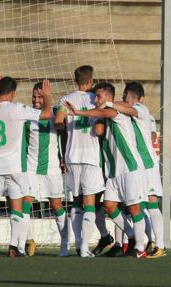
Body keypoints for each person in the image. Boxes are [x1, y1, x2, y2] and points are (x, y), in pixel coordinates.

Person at [64, 82, 150, 258]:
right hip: (114, 172)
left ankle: (140, 247)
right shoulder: (106, 114)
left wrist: (78, 112)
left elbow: (104, 111)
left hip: (129, 168)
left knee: (134, 209)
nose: (96, 99)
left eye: (99, 96)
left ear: (109, 98)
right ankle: (132, 236)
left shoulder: (116, 111)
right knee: (109, 206)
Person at [0, 77, 53, 257]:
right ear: (12, 93)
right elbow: (47, 114)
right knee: (16, 205)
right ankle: (13, 246)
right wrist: (47, 96)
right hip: (15, 166)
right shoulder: (17, 109)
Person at [55, 66, 112, 257]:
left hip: (72, 155)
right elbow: (99, 130)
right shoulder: (96, 98)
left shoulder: (65, 99)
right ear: (90, 80)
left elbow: (59, 123)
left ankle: (78, 244)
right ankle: (85, 248)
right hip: (91, 155)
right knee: (89, 202)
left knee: (76, 203)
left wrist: (67, 133)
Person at [18, 82, 69, 256]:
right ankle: (25, 243)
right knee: (26, 203)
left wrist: (64, 158)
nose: (36, 99)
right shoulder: (27, 116)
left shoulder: (56, 113)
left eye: (40, 96)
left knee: (56, 205)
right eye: (34, 96)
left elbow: (64, 134)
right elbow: (24, 143)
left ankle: (64, 244)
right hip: (31, 168)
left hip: (52, 169)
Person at [123, 81, 166, 258]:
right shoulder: (132, 112)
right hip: (138, 166)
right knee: (140, 206)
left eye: (125, 96)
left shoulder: (140, 109)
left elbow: (153, 135)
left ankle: (161, 245)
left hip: (146, 164)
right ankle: (145, 244)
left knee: (151, 204)